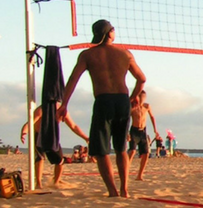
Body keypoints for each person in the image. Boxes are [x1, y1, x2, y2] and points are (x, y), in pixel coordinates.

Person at [57, 19, 147, 198]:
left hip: (103, 100)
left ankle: (113, 191)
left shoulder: (88, 55)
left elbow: (73, 80)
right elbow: (142, 79)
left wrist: (64, 104)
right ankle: (124, 190)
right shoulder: (125, 54)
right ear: (110, 33)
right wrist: (133, 96)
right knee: (121, 147)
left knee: (101, 149)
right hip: (122, 100)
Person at [20, 104, 89, 188]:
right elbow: (31, 122)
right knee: (40, 158)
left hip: (52, 136)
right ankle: (38, 183)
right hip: (39, 134)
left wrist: (85, 137)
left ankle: (56, 181)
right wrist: (24, 131)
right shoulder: (42, 109)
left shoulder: (62, 110)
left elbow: (73, 126)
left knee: (60, 160)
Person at [127, 90, 159, 181]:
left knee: (146, 153)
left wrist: (155, 130)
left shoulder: (147, 106)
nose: (142, 99)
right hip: (134, 130)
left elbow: (152, 117)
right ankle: (125, 171)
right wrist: (127, 134)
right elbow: (126, 120)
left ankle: (139, 175)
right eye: (141, 97)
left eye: (144, 97)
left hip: (143, 131)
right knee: (132, 152)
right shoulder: (133, 107)